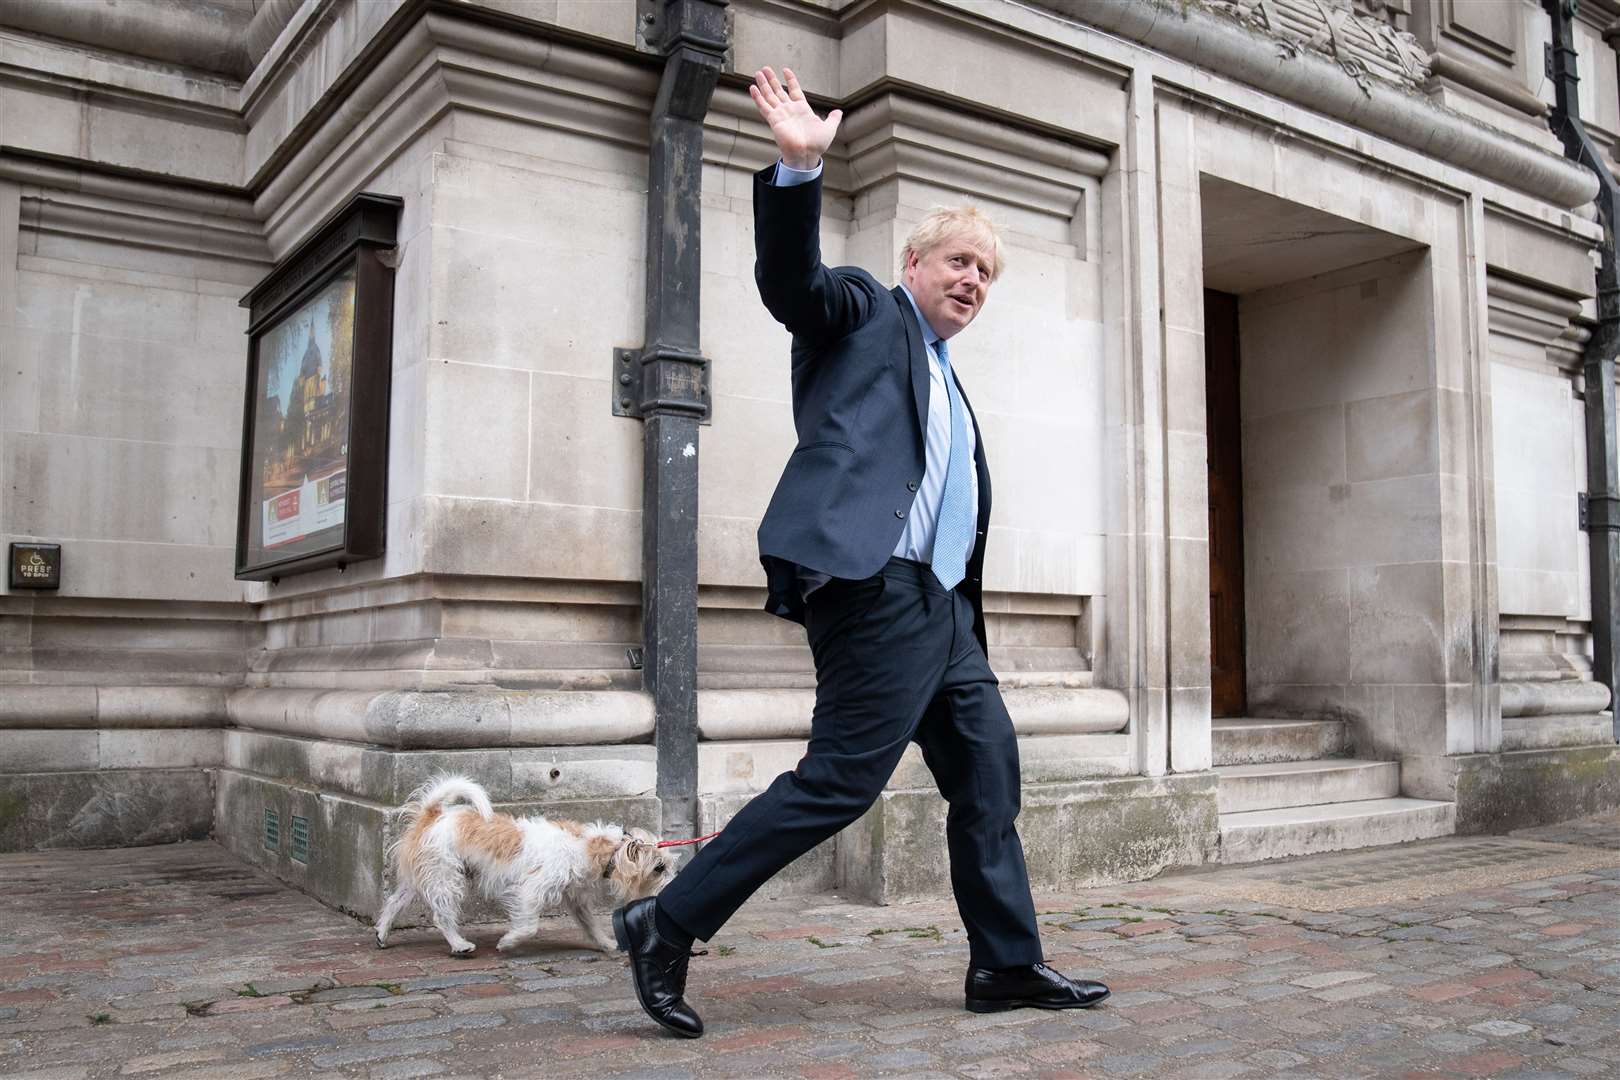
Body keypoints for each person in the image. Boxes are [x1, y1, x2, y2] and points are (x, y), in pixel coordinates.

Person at [612, 65, 1110, 1039]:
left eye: (986, 273)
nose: (971, 281)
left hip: (944, 610)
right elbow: (793, 286)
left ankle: (1006, 965)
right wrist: (797, 174)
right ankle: (664, 921)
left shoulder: (950, 380)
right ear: (915, 264)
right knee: (840, 782)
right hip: (874, 587)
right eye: (957, 262)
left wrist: (962, 610)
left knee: (987, 775)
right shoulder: (866, 315)